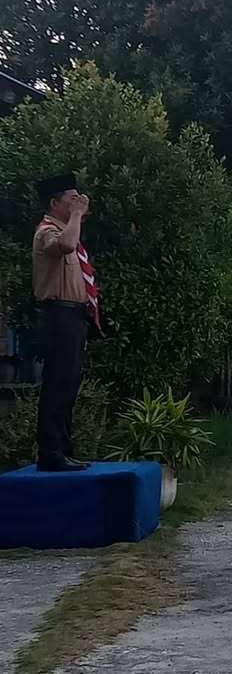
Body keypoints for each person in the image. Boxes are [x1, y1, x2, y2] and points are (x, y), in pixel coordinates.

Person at [32, 173, 100, 473]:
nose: (77, 203)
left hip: (73, 316)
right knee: (57, 384)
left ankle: (64, 450)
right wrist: (76, 215)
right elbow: (68, 245)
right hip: (57, 315)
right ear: (54, 203)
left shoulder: (66, 229)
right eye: (70, 199)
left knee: (69, 384)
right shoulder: (47, 232)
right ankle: (51, 454)